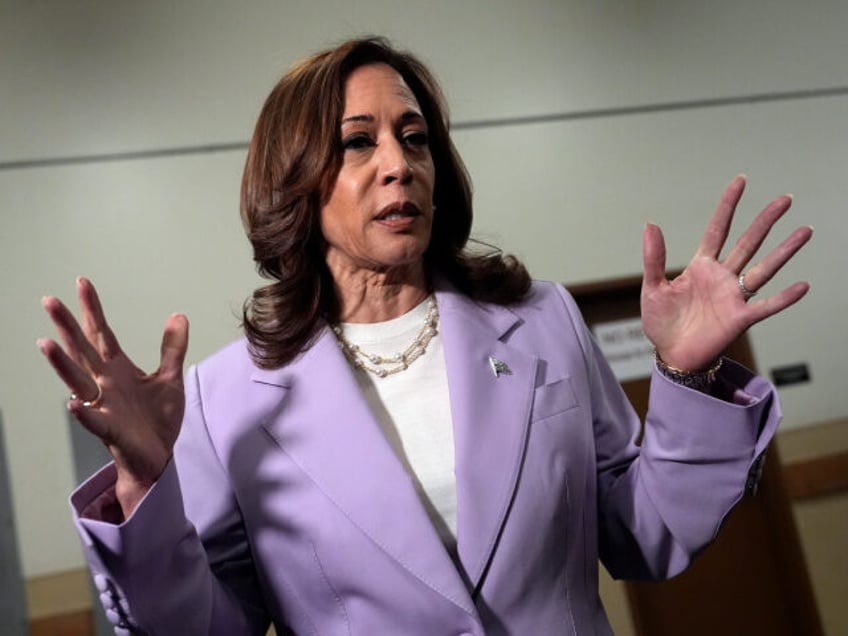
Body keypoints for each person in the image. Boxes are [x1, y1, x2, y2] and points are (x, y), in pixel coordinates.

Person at [39, 36, 812, 635]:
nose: (398, 164)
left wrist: (687, 378)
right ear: (295, 181)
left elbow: (646, 534)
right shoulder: (224, 397)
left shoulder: (542, 322)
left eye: (413, 137)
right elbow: (211, 627)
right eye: (357, 142)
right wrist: (146, 485)